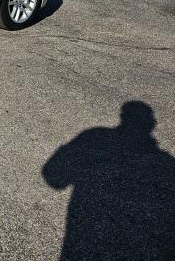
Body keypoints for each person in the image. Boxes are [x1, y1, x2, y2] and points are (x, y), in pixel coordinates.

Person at [42, 101, 175, 260]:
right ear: (151, 123)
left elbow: (54, 176)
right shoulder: (166, 163)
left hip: (85, 238)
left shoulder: (93, 135)